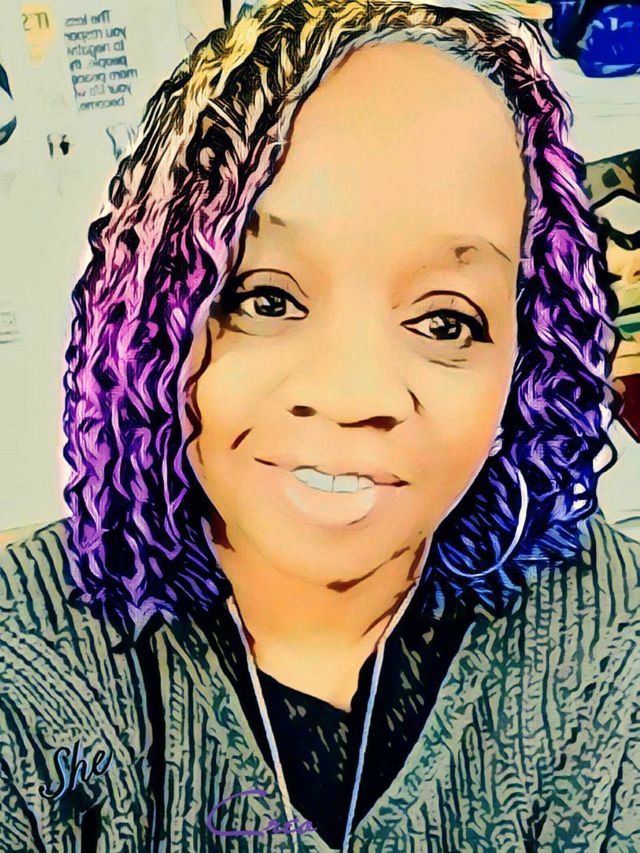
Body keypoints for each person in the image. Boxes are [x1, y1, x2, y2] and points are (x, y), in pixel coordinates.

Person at [1, 0, 638, 849]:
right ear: (156, 321)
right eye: (267, 299)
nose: (351, 392)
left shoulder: (606, 632)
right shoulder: (30, 656)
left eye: (445, 320)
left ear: (524, 360)